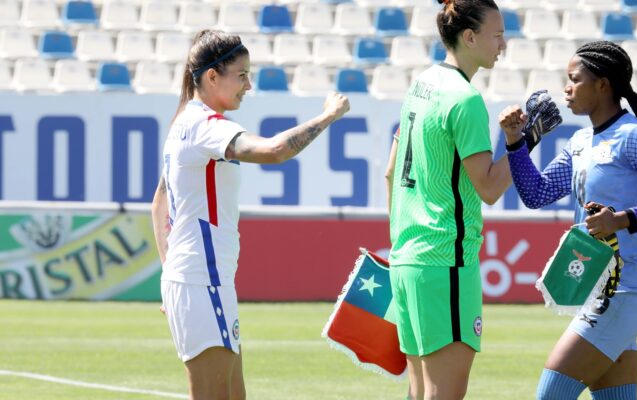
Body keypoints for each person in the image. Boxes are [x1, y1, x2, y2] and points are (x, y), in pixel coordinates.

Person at [150, 29, 349, 399]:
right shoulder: (205, 126)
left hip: (197, 278)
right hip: (201, 279)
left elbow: (160, 200)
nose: (248, 85)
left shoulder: (184, 122)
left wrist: (169, 272)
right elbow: (273, 151)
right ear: (212, 76)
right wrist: (328, 116)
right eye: (241, 75)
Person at [503, 41, 637, 399]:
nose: (566, 88)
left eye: (574, 79)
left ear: (603, 84)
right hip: (601, 289)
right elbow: (536, 193)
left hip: (627, 289)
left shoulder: (635, 137)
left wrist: (620, 220)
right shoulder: (580, 141)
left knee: (550, 395)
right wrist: (515, 142)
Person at [382, 0, 521, 398]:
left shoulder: (420, 85)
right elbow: (490, 189)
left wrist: (400, 242)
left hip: (408, 259)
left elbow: (390, 172)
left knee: (418, 391)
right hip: (445, 262)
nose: (503, 44)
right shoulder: (465, 99)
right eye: (497, 35)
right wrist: (524, 143)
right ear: (470, 36)